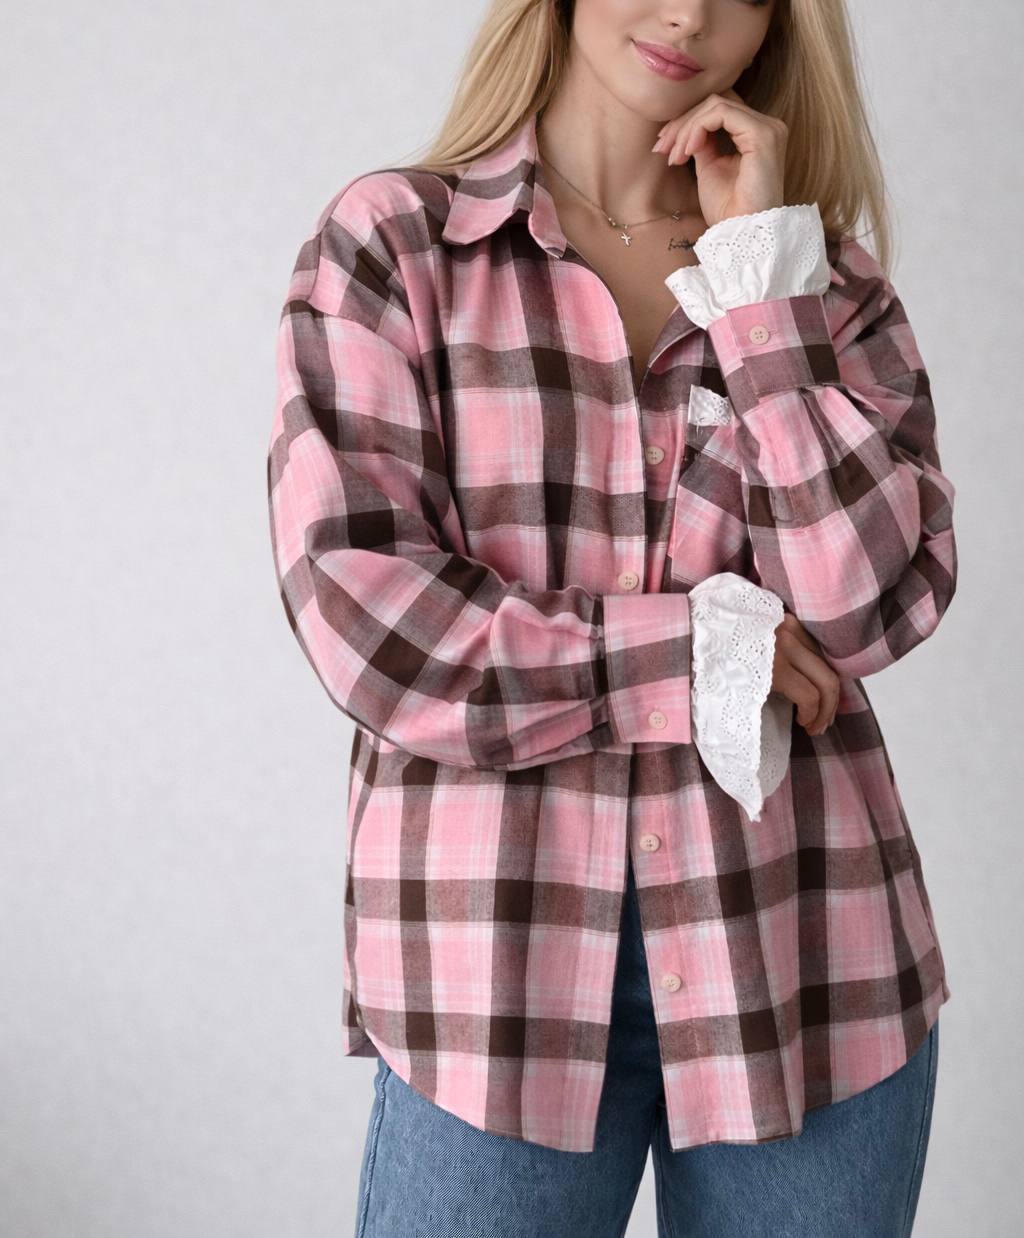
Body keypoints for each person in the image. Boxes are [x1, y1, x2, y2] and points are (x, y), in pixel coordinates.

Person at [266, 1, 957, 1233]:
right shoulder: (396, 246)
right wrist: (705, 650)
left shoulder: (824, 286)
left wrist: (758, 295)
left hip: (809, 970)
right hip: (494, 987)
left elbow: (866, 605)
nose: (688, 12)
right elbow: (372, 625)